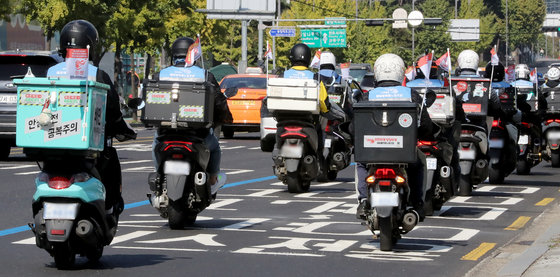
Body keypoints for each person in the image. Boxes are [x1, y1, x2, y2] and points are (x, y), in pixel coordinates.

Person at [46, 19, 137, 216]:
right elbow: (112, 109)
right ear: (90, 45)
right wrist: (121, 128)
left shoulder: (50, 72)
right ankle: (110, 205)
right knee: (110, 159)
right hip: (88, 147)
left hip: (53, 142)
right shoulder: (97, 74)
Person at [356, 53, 441, 221]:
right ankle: (417, 204)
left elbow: (356, 126)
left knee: (360, 163)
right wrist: (429, 133)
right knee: (419, 163)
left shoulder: (368, 96)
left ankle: (363, 199)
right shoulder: (411, 95)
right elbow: (425, 125)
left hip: (373, 152)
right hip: (404, 153)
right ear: (401, 72)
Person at [149, 37, 232, 190]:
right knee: (214, 147)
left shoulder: (161, 75)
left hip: (166, 132)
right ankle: (213, 178)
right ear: (194, 55)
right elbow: (218, 102)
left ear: (174, 55)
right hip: (198, 133)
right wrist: (225, 119)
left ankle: (158, 174)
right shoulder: (205, 75)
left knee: (155, 144)